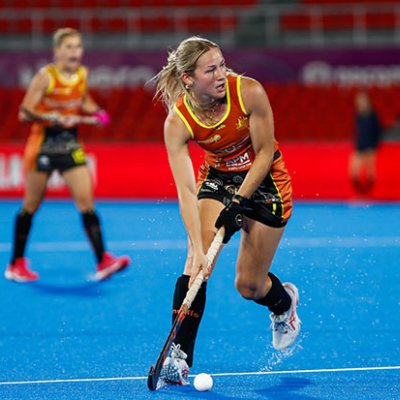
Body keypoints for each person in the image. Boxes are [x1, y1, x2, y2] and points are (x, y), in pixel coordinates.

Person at [152, 36, 301, 386]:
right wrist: (199, 247)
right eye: (210, 70)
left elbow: (264, 153)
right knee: (196, 263)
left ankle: (284, 305)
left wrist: (240, 200)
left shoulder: (248, 92)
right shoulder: (178, 122)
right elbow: (187, 191)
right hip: (219, 178)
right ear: (188, 78)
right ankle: (180, 357)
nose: (221, 74)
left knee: (248, 285)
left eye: (221, 64)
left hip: (265, 183)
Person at [5, 27, 130, 282]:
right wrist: (49, 117)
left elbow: (82, 100)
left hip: (70, 145)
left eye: (78, 47)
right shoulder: (45, 77)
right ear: (57, 51)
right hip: (43, 145)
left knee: (87, 203)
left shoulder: (81, 74)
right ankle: (16, 263)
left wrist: (96, 112)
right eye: (69, 47)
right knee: (30, 206)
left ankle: (103, 261)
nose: (75, 52)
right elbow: (23, 112)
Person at [349, 90, 382, 197]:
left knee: (370, 171)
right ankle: (359, 193)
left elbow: (377, 132)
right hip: (360, 146)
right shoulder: (358, 115)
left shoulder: (372, 115)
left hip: (370, 146)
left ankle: (368, 194)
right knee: (353, 170)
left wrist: (374, 147)